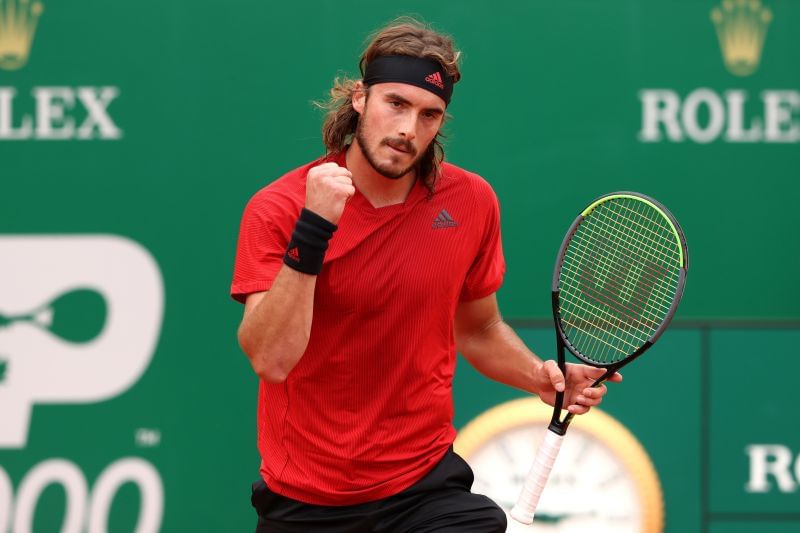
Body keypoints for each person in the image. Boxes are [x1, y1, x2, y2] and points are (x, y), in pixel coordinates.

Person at [231, 17, 620, 533]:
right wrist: (314, 228)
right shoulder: (280, 208)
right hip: (306, 502)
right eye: (395, 103)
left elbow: (478, 328)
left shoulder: (471, 202)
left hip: (423, 489)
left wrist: (541, 379)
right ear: (358, 99)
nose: (408, 130)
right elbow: (271, 359)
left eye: (429, 114)